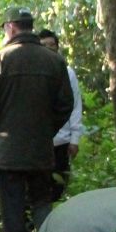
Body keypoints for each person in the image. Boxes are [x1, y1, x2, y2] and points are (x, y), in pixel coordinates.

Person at [0, 7, 74, 232]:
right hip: (40, 149)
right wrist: (45, 131)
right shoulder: (54, 60)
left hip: (6, 151)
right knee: (42, 203)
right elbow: (66, 104)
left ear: (10, 27)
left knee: (12, 208)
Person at [37, 28, 83, 198]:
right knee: (37, 188)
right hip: (38, 142)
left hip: (61, 141)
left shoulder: (67, 72)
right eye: (44, 45)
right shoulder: (33, 72)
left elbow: (75, 105)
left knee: (58, 187)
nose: (49, 48)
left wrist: (75, 138)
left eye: (52, 44)